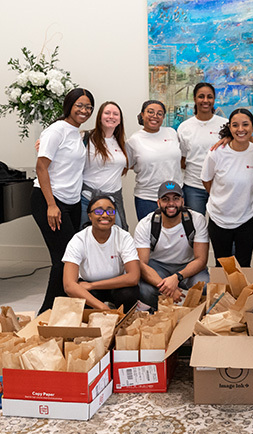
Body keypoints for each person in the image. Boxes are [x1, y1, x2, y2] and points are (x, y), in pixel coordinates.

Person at [31, 88, 95, 314]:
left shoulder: (75, 133)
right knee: (64, 261)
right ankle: (46, 313)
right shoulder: (56, 130)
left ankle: (63, 311)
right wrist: (51, 204)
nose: (84, 110)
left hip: (72, 202)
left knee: (71, 260)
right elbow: (41, 167)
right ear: (69, 105)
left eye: (88, 107)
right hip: (50, 201)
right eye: (79, 105)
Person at [135, 181, 209, 310]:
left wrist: (177, 277)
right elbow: (141, 264)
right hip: (158, 266)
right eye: (165, 199)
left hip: (188, 266)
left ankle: (195, 316)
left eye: (176, 199)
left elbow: (201, 260)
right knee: (144, 290)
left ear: (182, 201)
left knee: (205, 286)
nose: (171, 204)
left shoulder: (196, 220)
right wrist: (166, 287)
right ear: (158, 203)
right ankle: (158, 314)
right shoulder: (146, 224)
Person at [201, 108, 253, 267]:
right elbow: (206, 180)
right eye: (235, 125)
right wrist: (222, 197)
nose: (240, 129)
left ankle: (243, 293)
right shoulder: (217, 152)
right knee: (222, 265)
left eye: (245, 125)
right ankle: (222, 293)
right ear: (230, 128)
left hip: (247, 218)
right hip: (219, 218)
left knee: (244, 264)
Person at [62, 196, 140, 312]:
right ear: (89, 215)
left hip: (116, 285)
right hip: (88, 286)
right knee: (79, 297)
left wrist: (93, 285)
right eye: (98, 211)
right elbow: (69, 284)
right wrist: (103, 307)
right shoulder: (79, 239)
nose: (105, 215)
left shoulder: (123, 237)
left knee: (129, 293)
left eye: (110, 211)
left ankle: (124, 321)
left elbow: (133, 277)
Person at [127, 100, 183, 220]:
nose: (155, 116)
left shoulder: (172, 133)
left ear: (163, 117)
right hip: (148, 198)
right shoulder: (134, 140)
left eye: (159, 113)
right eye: (150, 112)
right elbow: (128, 165)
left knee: (176, 235)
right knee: (150, 236)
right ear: (142, 115)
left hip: (175, 196)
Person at [177, 82, 228, 215]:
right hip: (193, 187)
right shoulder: (184, 127)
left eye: (209, 97)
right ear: (194, 99)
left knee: (219, 228)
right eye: (201, 96)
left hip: (220, 186)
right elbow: (182, 160)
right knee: (195, 227)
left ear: (214, 99)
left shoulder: (225, 125)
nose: (205, 100)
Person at [80, 101, 129, 229]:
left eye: (115, 114)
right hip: (87, 199)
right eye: (107, 113)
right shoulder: (85, 137)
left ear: (119, 120)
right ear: (100, 117)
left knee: (118, 237)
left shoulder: (121, 143)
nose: (111, 116)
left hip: (113, 201)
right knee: (85, 239)